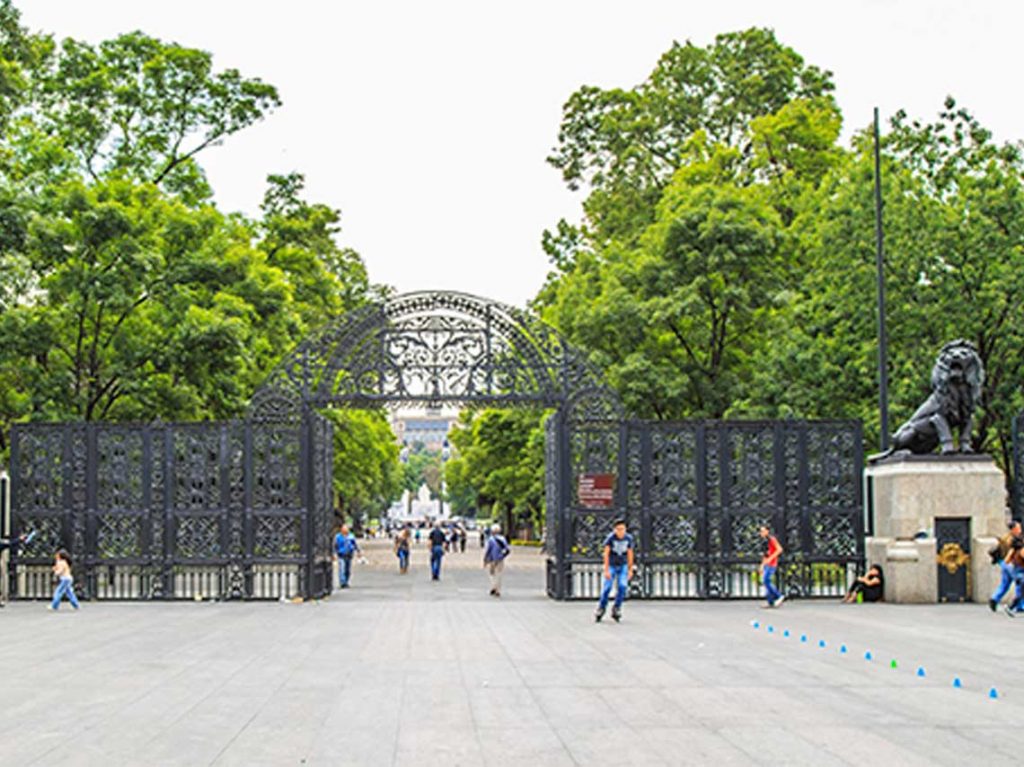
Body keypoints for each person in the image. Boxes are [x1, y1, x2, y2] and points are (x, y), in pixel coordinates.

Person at [594, 518, 634, 623]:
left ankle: (617, 607)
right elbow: (606, 554)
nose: (620, 532)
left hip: (623, 565)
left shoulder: (628, 539)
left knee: (622, 586)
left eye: (622, 529)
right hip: (612, 565)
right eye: (618, 529)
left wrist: (630, 569)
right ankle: (601, 607)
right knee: (607, 588)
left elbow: (630, 553)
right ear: (615, 530)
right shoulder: (610, 538)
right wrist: (606, 569)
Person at [989, 520, 1022, 611]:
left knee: (1005, 583)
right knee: (1019, 582)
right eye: (1018, 528)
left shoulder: (1005, 538)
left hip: (1004, 563)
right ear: (1013, 529)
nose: (1020, 530)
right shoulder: (1013, 539)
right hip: (1011, 564)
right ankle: (1019, 605)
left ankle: (994, 598)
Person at [759, 525, 785, 608]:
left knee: (766, 580)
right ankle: (770, 602)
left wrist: (771, 558)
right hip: (767, 564)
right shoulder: (765, 542)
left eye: (763, 531)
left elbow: (779, 549)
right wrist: (762, 565)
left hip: (772, 563)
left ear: (767, 531)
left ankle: (779, 596)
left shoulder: (772, 539)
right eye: (760, 531)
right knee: (766, 581)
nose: (761, 533)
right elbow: (765, 555)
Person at [483, 523, 511, 597]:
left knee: (492, 573)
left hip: (492, 559)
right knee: (499, 574)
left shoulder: (491, 539)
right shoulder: (503, 538)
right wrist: (503, 555)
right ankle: (498, 589)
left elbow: (488, 550)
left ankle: (494, 587)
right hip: (500, 558)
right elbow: (507, 549)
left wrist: (485, 559)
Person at [333, 524, 360, 589]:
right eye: (344, 529)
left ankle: (346, 581)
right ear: (341, 529)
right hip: (341, 554)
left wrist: (358, 551)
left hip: (349, 554)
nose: (346, 530)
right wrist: (334, 553)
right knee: (342, 568)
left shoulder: (351, 536)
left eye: (347, 529)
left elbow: (355, 544)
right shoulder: (338, 537)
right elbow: (335, 546)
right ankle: (342, 582)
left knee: (347, 569)